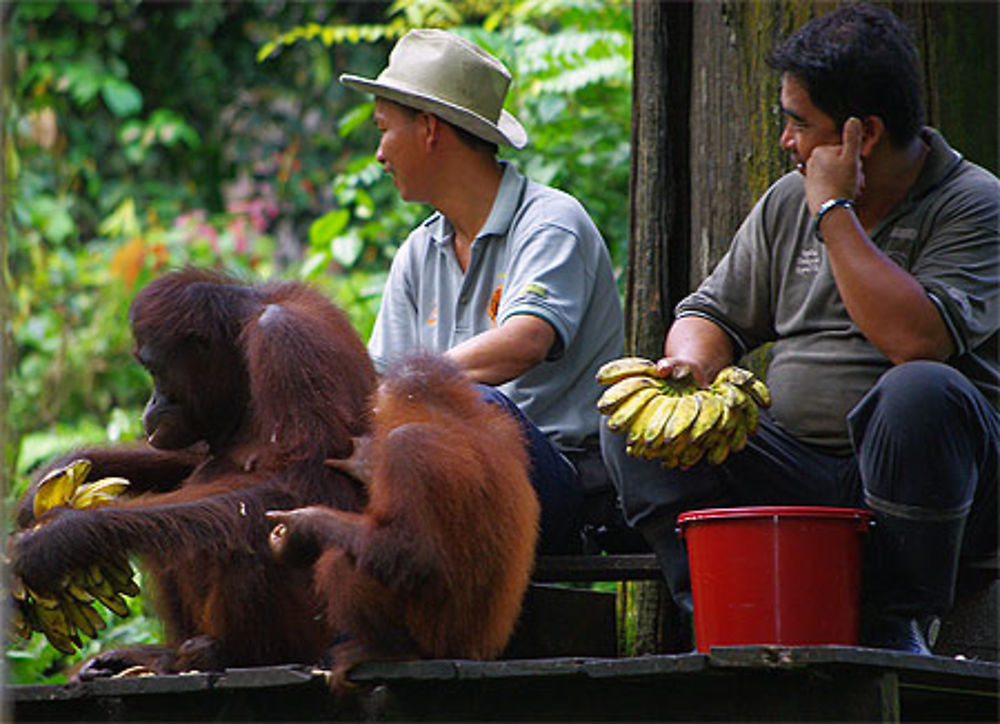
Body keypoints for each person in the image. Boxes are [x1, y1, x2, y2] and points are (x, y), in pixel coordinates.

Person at [601, 3, 998, 654]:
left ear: (861, 136)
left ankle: (897, 622)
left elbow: (915, 341)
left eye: (797, 122)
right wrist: (691, 370)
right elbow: (710, 313)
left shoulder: (974, 203)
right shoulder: (786, 200)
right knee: (634, 422)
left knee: (919, 391)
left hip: (940, 487)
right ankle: (718, 613)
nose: (786, 140)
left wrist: (835, 213)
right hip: (799, 469)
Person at [339, 29, 625, 554]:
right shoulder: (419, 251)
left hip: (558, 481)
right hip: (451, 470)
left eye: (383, 129)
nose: (379, 153)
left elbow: (524, 341)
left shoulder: (551, 222)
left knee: (469, 405)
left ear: (428, 129)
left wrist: (415, 389)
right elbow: (378, 384)